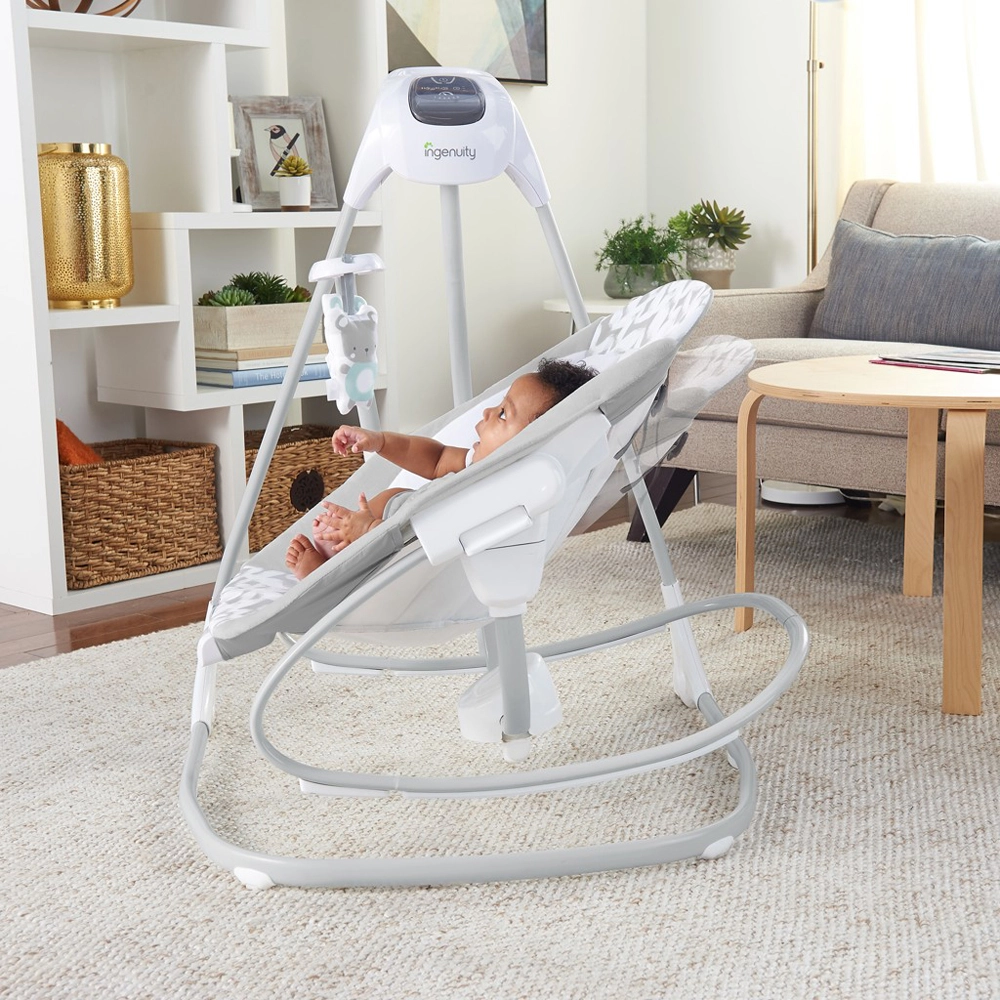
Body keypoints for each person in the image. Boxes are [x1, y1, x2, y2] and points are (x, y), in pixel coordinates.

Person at [285, 357, 597, 578]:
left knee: (385, 522)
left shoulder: (504, 496)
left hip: (408, 554)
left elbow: (428, 548)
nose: (488, 412)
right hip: (395, 523)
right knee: (394, 494)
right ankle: (344, 540)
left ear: (531, 445)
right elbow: (434, 459)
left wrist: (369, 531)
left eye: (503, 414)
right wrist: (380, 441)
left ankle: (329, 571)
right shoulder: (476, 463)